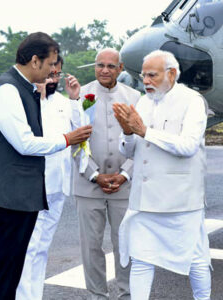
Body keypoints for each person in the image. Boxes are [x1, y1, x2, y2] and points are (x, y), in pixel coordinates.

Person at [0, 32, 92, 300]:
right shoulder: (6, 90)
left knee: (13, 271)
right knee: (1, 274)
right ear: (35, 60)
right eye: (51, 64)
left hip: (19, 199)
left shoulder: (24, 89)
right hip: (3, 200)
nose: (54, 71)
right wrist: (67, 139)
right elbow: (25, 144)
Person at [113, 49, 211, 300]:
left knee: (196, 259)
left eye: (152, 75)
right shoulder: (144, 101)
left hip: (180, 200)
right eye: (144, 75)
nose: (145, 81)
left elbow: (188, 147)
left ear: (172, 73)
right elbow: (132, 150)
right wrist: (126, 132)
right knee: (141, 259)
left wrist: (144, 131)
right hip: (145, 199)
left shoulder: (192, 101)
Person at [72, 48, 141, 300]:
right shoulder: (83, 96)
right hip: (88, 185)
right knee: (91, 246)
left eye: (111, 66)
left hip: (124, 186)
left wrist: (124, 174)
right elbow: (75, 142)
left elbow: (142, 143)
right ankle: (97, 295)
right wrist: (94, 175)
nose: (104, 70)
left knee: (125, 244)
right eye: (100, 65)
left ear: (120, 68)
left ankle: (126, 294)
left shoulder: (134, 97)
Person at [15, 56, 81, 299]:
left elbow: (82, 130)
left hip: (58, 186)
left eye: (57, 74)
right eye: (49, 73)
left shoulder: (64, 102)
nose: (52, 78)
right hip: (33, 187)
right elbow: (28, 139)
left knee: (42, 248)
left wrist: (75, 99)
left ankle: (35, 294)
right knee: (29, 247)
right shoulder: (24, 101)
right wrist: (38, 99)